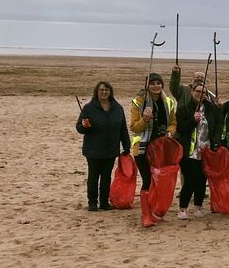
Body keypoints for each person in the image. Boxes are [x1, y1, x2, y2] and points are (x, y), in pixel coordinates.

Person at [129, 73, 177, 224]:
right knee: (147, 179)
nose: (156, 86)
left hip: (161, 148)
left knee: (159, 182)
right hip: (143, 148)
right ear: (147, 86)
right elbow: (134, 128)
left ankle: (155, 210)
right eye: (152, 83)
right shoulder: (139, 102)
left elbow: (173, 122)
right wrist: (145, 119)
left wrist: (170, 131)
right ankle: (146, 215)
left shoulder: (168, 102)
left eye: (158, 83)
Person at [76, 81, 131, 211]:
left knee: (106, 177)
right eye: (101, 90)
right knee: (93, 177)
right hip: (93, 149)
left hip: (111, 149)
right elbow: (79, 127)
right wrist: (84, 126)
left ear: (110, 92)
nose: (104, 92)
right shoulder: (88, 108)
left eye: (106, 90)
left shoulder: (118, 108)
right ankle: (92, 203)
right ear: (97, 92)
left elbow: (123, 128)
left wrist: (126, 145)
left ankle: (104, 203)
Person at [175, 83, 222, 220]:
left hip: (205, 151)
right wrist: (192, 121)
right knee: (190, 180)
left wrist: (216, 142)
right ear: (192, 91)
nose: (200, 94)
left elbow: (219, 123)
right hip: (189, 152)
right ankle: (182, 208)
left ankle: (198, 207)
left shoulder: (210, 109)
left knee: (202, 179)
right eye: (198, 91)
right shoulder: (183, 109)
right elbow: (181, 128)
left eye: (203, 92)